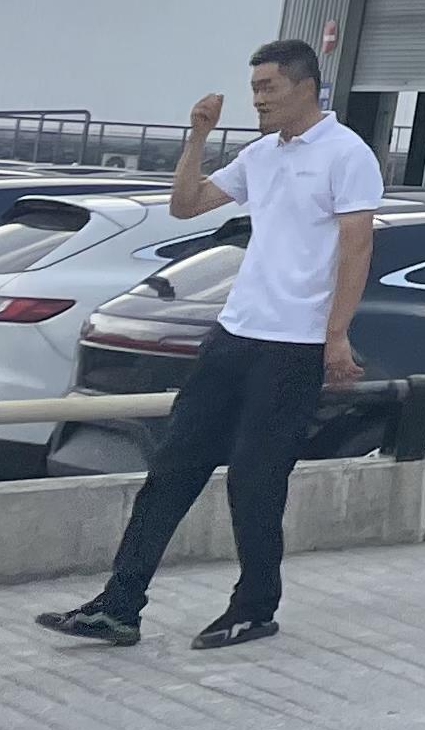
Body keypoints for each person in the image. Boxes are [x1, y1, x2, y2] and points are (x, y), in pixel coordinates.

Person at [36, 41, 381, 651]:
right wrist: (197, 136)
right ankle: (118, 607)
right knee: (172, 467)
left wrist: (335, 335)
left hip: (293, 345)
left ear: (305, 86)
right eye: (254, 88)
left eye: (268, 87)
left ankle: (255, 608)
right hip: (233, 334)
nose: (258, 100)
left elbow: (357, 248)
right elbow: (185, 205)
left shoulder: (347, 154)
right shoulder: (261, 155)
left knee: (255, 480)